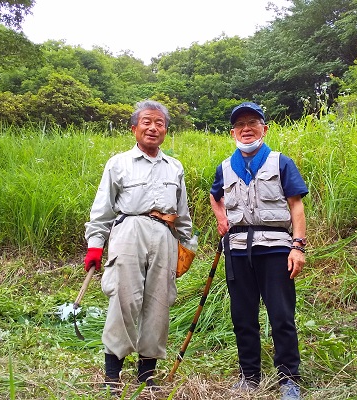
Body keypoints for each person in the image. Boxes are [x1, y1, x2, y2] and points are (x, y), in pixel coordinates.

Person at [84, 100, 194, 391]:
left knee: (160, 301)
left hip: (164, 236)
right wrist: (95, 245)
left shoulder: (175, 167)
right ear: (134, 128)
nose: (153, 128)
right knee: (124, 299)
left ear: (166, 131)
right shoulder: (118, 163)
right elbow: (102, 208)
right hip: (128, 231)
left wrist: (188, 244)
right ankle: (112, 375)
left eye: (159, 123)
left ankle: (147, 375)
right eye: (147, 122)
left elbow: (182, 212)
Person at [209, 102, 307, 400]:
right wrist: (221, 217)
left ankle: (289, 378)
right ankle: (249, 376)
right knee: (243, 317)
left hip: (276, 249)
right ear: (232, 132)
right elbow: (215, 196)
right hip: (237, 251)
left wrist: (298, 246)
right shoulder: (225, 167)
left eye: (253, 122)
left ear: (265, 128)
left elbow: (296, 205)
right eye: (240, 125)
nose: (246, 129)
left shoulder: (280, 162)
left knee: (281, 315)